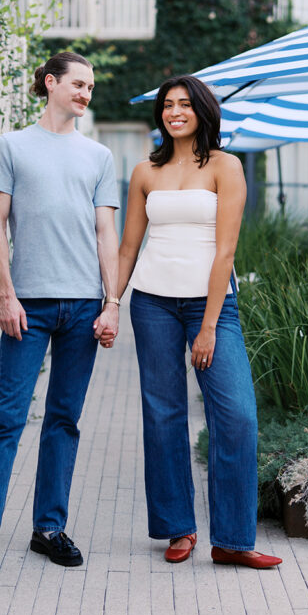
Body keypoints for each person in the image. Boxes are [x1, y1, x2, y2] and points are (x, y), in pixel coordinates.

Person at [0, 52, 120, 586]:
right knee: (6, 420)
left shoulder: (99, 156)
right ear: (50, 83)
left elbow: (105, 235)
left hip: (83, 308)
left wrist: (112, 302)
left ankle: (48, 529)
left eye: (90, 87)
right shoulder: (12, 147)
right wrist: (6, 294)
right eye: (77, 83)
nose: (85, 93)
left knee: (63, 421)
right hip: (28, 304)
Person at [117, 75, 282, 569]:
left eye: (185, 104)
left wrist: (208, 325)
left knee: (236, 416)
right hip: (151, 302)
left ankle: (232, 540)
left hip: (212, 306)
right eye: (167, 105)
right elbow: (129, 247)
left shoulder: (226, 167)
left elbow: (226, 249)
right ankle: (178, 528)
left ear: (203, 111)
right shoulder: (146, 170)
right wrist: (110, 301)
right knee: (163, 413)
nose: (174, 112)